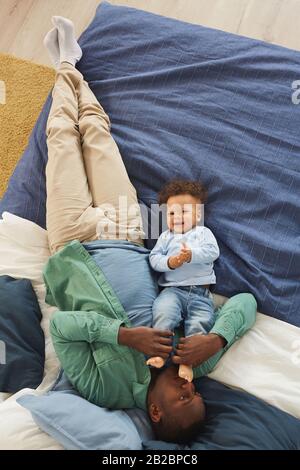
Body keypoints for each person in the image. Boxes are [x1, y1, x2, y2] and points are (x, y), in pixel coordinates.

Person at [43, 16, 257, 444]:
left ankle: (63, 68)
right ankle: (70, 66)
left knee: (62, 140)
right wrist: (214, 341)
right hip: (128, 235)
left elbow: (62, 327)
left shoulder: (104, 389)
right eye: (195, 393)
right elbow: (246, 303)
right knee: (99, 137)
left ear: (155, 412)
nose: (189, 387)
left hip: (72, 242)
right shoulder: (193, 357)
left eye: (184, 399)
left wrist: (124, 336)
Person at [147, 180, 219, 382]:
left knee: (200, 322)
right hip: (172, 291)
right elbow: (154, 258)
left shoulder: (203, 233)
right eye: (171, 213)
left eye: (184, 211)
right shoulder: (165, 237)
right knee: (162, 312)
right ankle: (160, 354)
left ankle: (187, 361)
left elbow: (213, 252)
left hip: (201, 294)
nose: (177, 217)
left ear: (197, 215)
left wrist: (190, 256)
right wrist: (170, 262)